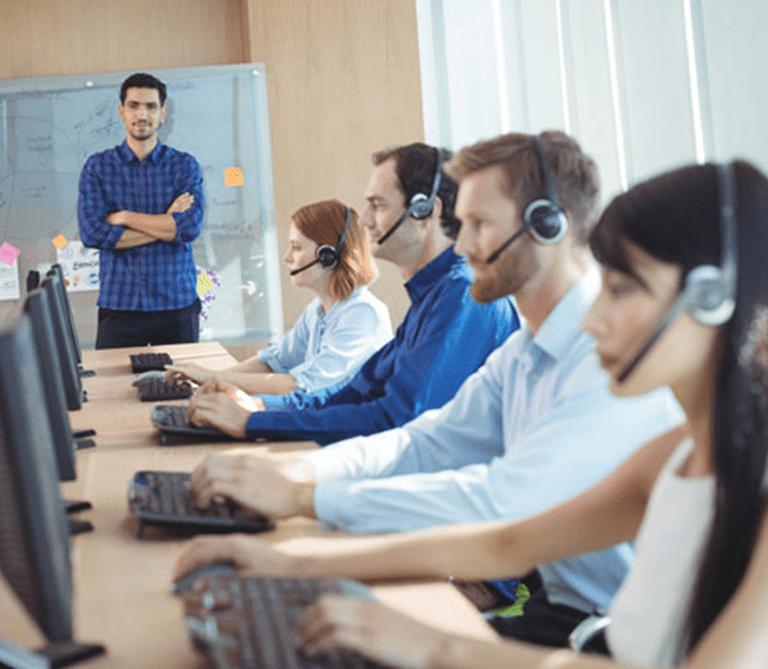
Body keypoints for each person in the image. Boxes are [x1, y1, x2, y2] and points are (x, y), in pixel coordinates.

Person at [176, 159, 768, 669]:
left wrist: (442, 649)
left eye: (623, 289)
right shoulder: (676, 456)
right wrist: (293, 561)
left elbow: (500, 511)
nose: (592, 320)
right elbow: (505, 542)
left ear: (712, 299)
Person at [184, 142, 519, 443]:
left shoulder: (464, 294)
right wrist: (258, 408)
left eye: (378, 205)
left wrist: (254, 422)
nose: (366, 220)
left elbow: (398, 418)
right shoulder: (431, 295)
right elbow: (353, 394)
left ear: (426, 211)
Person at [167, 199, 392, 401]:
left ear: (327, 257)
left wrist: (212, 378)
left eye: (296, 248)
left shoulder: (363, 313)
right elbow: (274, 362)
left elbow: (304, 386)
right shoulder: (318, 310)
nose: (286, 257)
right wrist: (209, 380)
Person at [77, 72, 205, 349]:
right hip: (119, 307)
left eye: (151, 106)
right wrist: (166, 225)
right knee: (111, 391)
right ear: (122, 112)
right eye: (134, 106)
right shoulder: (97, 168)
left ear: (163, 113)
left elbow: (189, 228)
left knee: (181, 390)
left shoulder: (184, 166)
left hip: (177, 306)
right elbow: (92, 234)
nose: (142, 114)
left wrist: (123, 218)